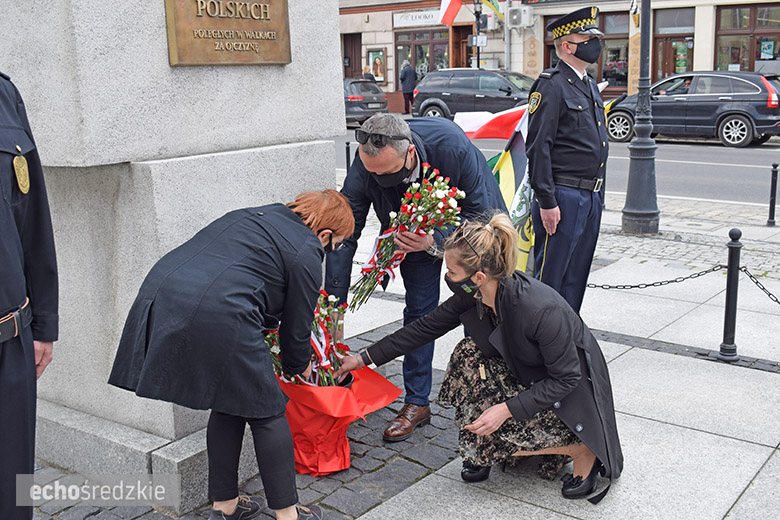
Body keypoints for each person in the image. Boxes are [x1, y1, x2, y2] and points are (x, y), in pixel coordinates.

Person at [335, 214, 623, 502]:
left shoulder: (540, 310)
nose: (448, 278)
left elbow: (567, 379)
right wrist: (362, 359)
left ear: (479, 277)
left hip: (568, 399)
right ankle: (487, 448)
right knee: (468, 353)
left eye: (451, 272)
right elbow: (425, 328)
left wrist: (505, 410)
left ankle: (581, 449)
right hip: (528, 376)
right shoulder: (474, 293)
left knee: (493, 423)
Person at [109, 190, 355, 520]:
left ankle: (224, 507)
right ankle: (288, 515)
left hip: (164, 293)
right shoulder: (307, 249)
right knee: (269, 412)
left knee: (229, 402)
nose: (331, 251)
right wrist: (300, 366)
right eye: (335, 244)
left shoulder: (252, 215)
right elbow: (298, 325)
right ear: (324, 235)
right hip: (221, 312)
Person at [325, 113, 506, 443]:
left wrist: (436, 240)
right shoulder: (366, 162)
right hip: (410, 234)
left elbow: (480, 214)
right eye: (372, 174)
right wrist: (334, 302)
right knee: (419, 312)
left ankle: (488, 396)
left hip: (465, 231)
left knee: (479, 309)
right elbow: (345, 231)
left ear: (409, 153)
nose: (377, 180)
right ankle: (417, 403)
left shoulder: (452, 148)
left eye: (387, 174)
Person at [0, 72, 59, 520]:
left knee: (12, 496)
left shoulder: (4, 93)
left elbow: (32, 215)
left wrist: (43, 323)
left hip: (9, 341)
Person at [525, 6, 609, 313]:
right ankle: (540, 334)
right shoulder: (552, 84)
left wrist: (599, 196)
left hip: (590, 195)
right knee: (551, 278)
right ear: (567, 46)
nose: (594, 44)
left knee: (576, 276)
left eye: (594, 38)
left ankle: (568, 332)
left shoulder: (589, 84)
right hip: (563, 196)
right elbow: (538, 147)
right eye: (586, 39)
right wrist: (547, 201)